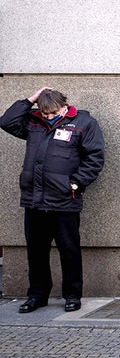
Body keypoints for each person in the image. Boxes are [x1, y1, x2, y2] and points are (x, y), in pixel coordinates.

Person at [1, 87, 105, 314]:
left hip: (64, 199)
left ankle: (72, 295)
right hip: (35, 200)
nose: (49, 117)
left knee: (69, 250)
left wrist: (75, 184)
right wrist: (31, 98)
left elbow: (95, 157)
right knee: (36, 251)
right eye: (45, 113)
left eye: (53, 113)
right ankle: (37, 295)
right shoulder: (34, 122)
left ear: (64, 107)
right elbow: (6, 121)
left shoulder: (83, 123)